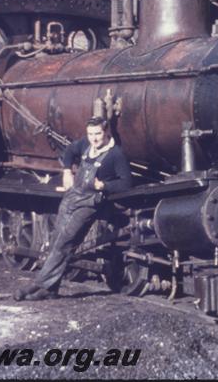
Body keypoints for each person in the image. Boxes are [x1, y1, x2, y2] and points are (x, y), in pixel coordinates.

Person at [14, 117, 132, 301]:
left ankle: (37, 284)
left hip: (89, 203)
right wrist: (67, 170)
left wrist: (104, 186)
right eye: (91, 134)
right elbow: (69, 151)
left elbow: (126, 183)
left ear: (106, 132)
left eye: (98, 134)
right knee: (55, 242)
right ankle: (51, 290)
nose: (94, 138)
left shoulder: (116, 154)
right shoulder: (85, 144)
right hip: (71, 198)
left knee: (65, 242)